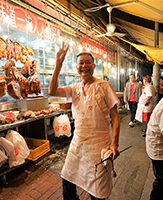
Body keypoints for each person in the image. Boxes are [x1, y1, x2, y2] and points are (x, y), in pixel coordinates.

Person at [49, 42, 120, 200]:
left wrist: (115, 143)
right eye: (81, 63)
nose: (84, 65)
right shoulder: (74, 88)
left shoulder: (104, 86)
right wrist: (58, 64)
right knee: (67, 179)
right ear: (77, 67)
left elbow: (115, 116)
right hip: (78, 145)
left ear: (94, 66)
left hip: (99, 146)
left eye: (88, 62)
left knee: (98, 190)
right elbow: (52, 91)